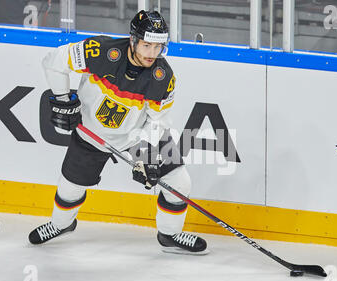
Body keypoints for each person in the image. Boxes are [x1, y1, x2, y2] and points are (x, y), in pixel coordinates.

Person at [28, 10, 208, 255]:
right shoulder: (101, 50)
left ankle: (170, 234)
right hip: (91, 133)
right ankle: (62, 225)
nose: (152, 54)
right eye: (146, 45)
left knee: (179, 181)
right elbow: (53, 61)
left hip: (135, 134)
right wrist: (62, 99)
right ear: (133, 40)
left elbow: (158, 122)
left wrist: (147, 155)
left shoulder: (163, 78)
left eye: (158, 47)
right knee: (69, 188)